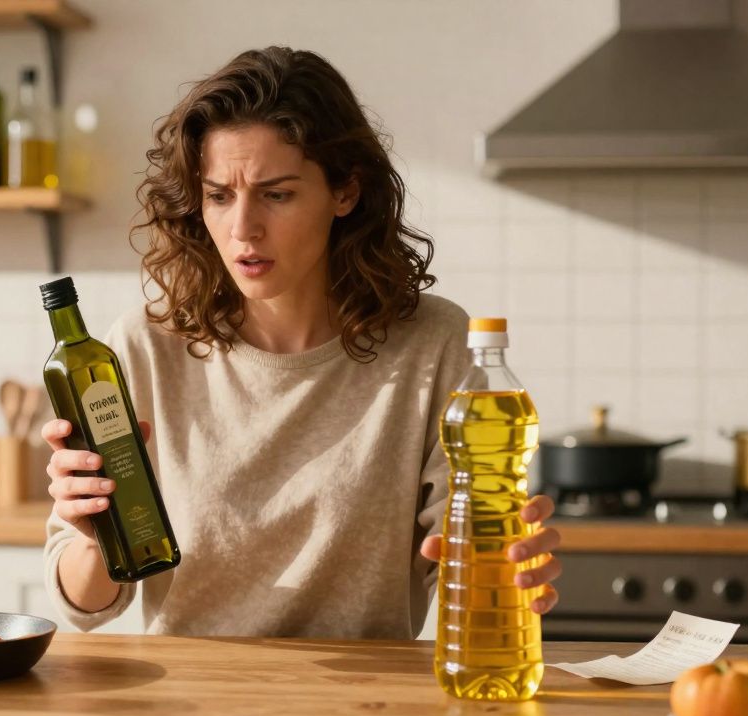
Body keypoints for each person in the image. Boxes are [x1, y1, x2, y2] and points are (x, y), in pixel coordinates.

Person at [41, 46, 561, 638]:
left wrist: (507, 569)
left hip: (370, 713)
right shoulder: (143, 347)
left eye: (277, 194)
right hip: (192, 712)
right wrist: (91, 531)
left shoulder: (433, 345)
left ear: (345, 192)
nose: (243, 229)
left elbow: (465, 554)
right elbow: (86, 608)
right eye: (219, 196)